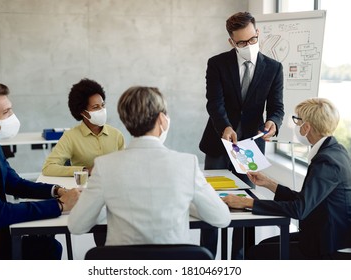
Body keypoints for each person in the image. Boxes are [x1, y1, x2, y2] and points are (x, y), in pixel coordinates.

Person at [68, 86, 231, 251]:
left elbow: (76, 226)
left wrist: (110, 203)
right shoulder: (187, 164)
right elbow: (221, 218)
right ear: (161, 119)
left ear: (126, 121)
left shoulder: (104, 166)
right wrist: (185, 202)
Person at [223, 97, 351, 260]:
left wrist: (247, 203)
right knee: (260, 247)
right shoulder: (334, 151)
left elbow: (299, 209)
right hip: (323, 236)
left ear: (307, 127)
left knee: (255, 254)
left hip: (333, 247)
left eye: (297, 121)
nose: (294, 126)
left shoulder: (327, 162)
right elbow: (306, 201)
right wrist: (269, 183)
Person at [198, 11, 285, 258]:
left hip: (250, 145)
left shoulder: (274, 68)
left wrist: (273, 123)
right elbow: (214, 103)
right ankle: (208, 255)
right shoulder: (217, 63)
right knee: (212, 200)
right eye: (242, 43)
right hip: (218, 142)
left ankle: (241, 257)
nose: (248, 46)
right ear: (231, 42)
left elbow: (277, 108)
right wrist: (225, 126)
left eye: (252, 40)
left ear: (258, 33)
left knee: (247, 201)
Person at [0, 82, 80, 260]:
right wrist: (60, 205)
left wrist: (56, 191)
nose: (13, 117)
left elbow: (14, 183)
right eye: (6, 112)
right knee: (48, 248)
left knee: (49, 245)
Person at [42, 78, 125, 177]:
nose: (102, 110)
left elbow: (125, 166)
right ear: (82, 112)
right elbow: (48, 168)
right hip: (85, 189)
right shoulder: (71, 137)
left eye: (103, 105)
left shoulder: (116, 135)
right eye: (95, 107)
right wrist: (85, 170)